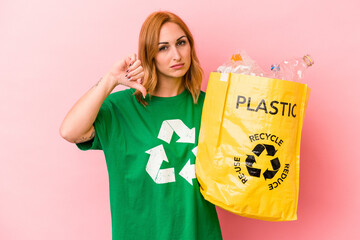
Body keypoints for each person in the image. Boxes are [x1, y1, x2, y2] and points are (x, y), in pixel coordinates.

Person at [60, 11, 222, 240]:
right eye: (163, 47)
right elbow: (70, 131)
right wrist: (110, 80)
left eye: (181, 43)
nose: (176, 55)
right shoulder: (121, 108)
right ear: (149, 54)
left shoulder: (212, 105)